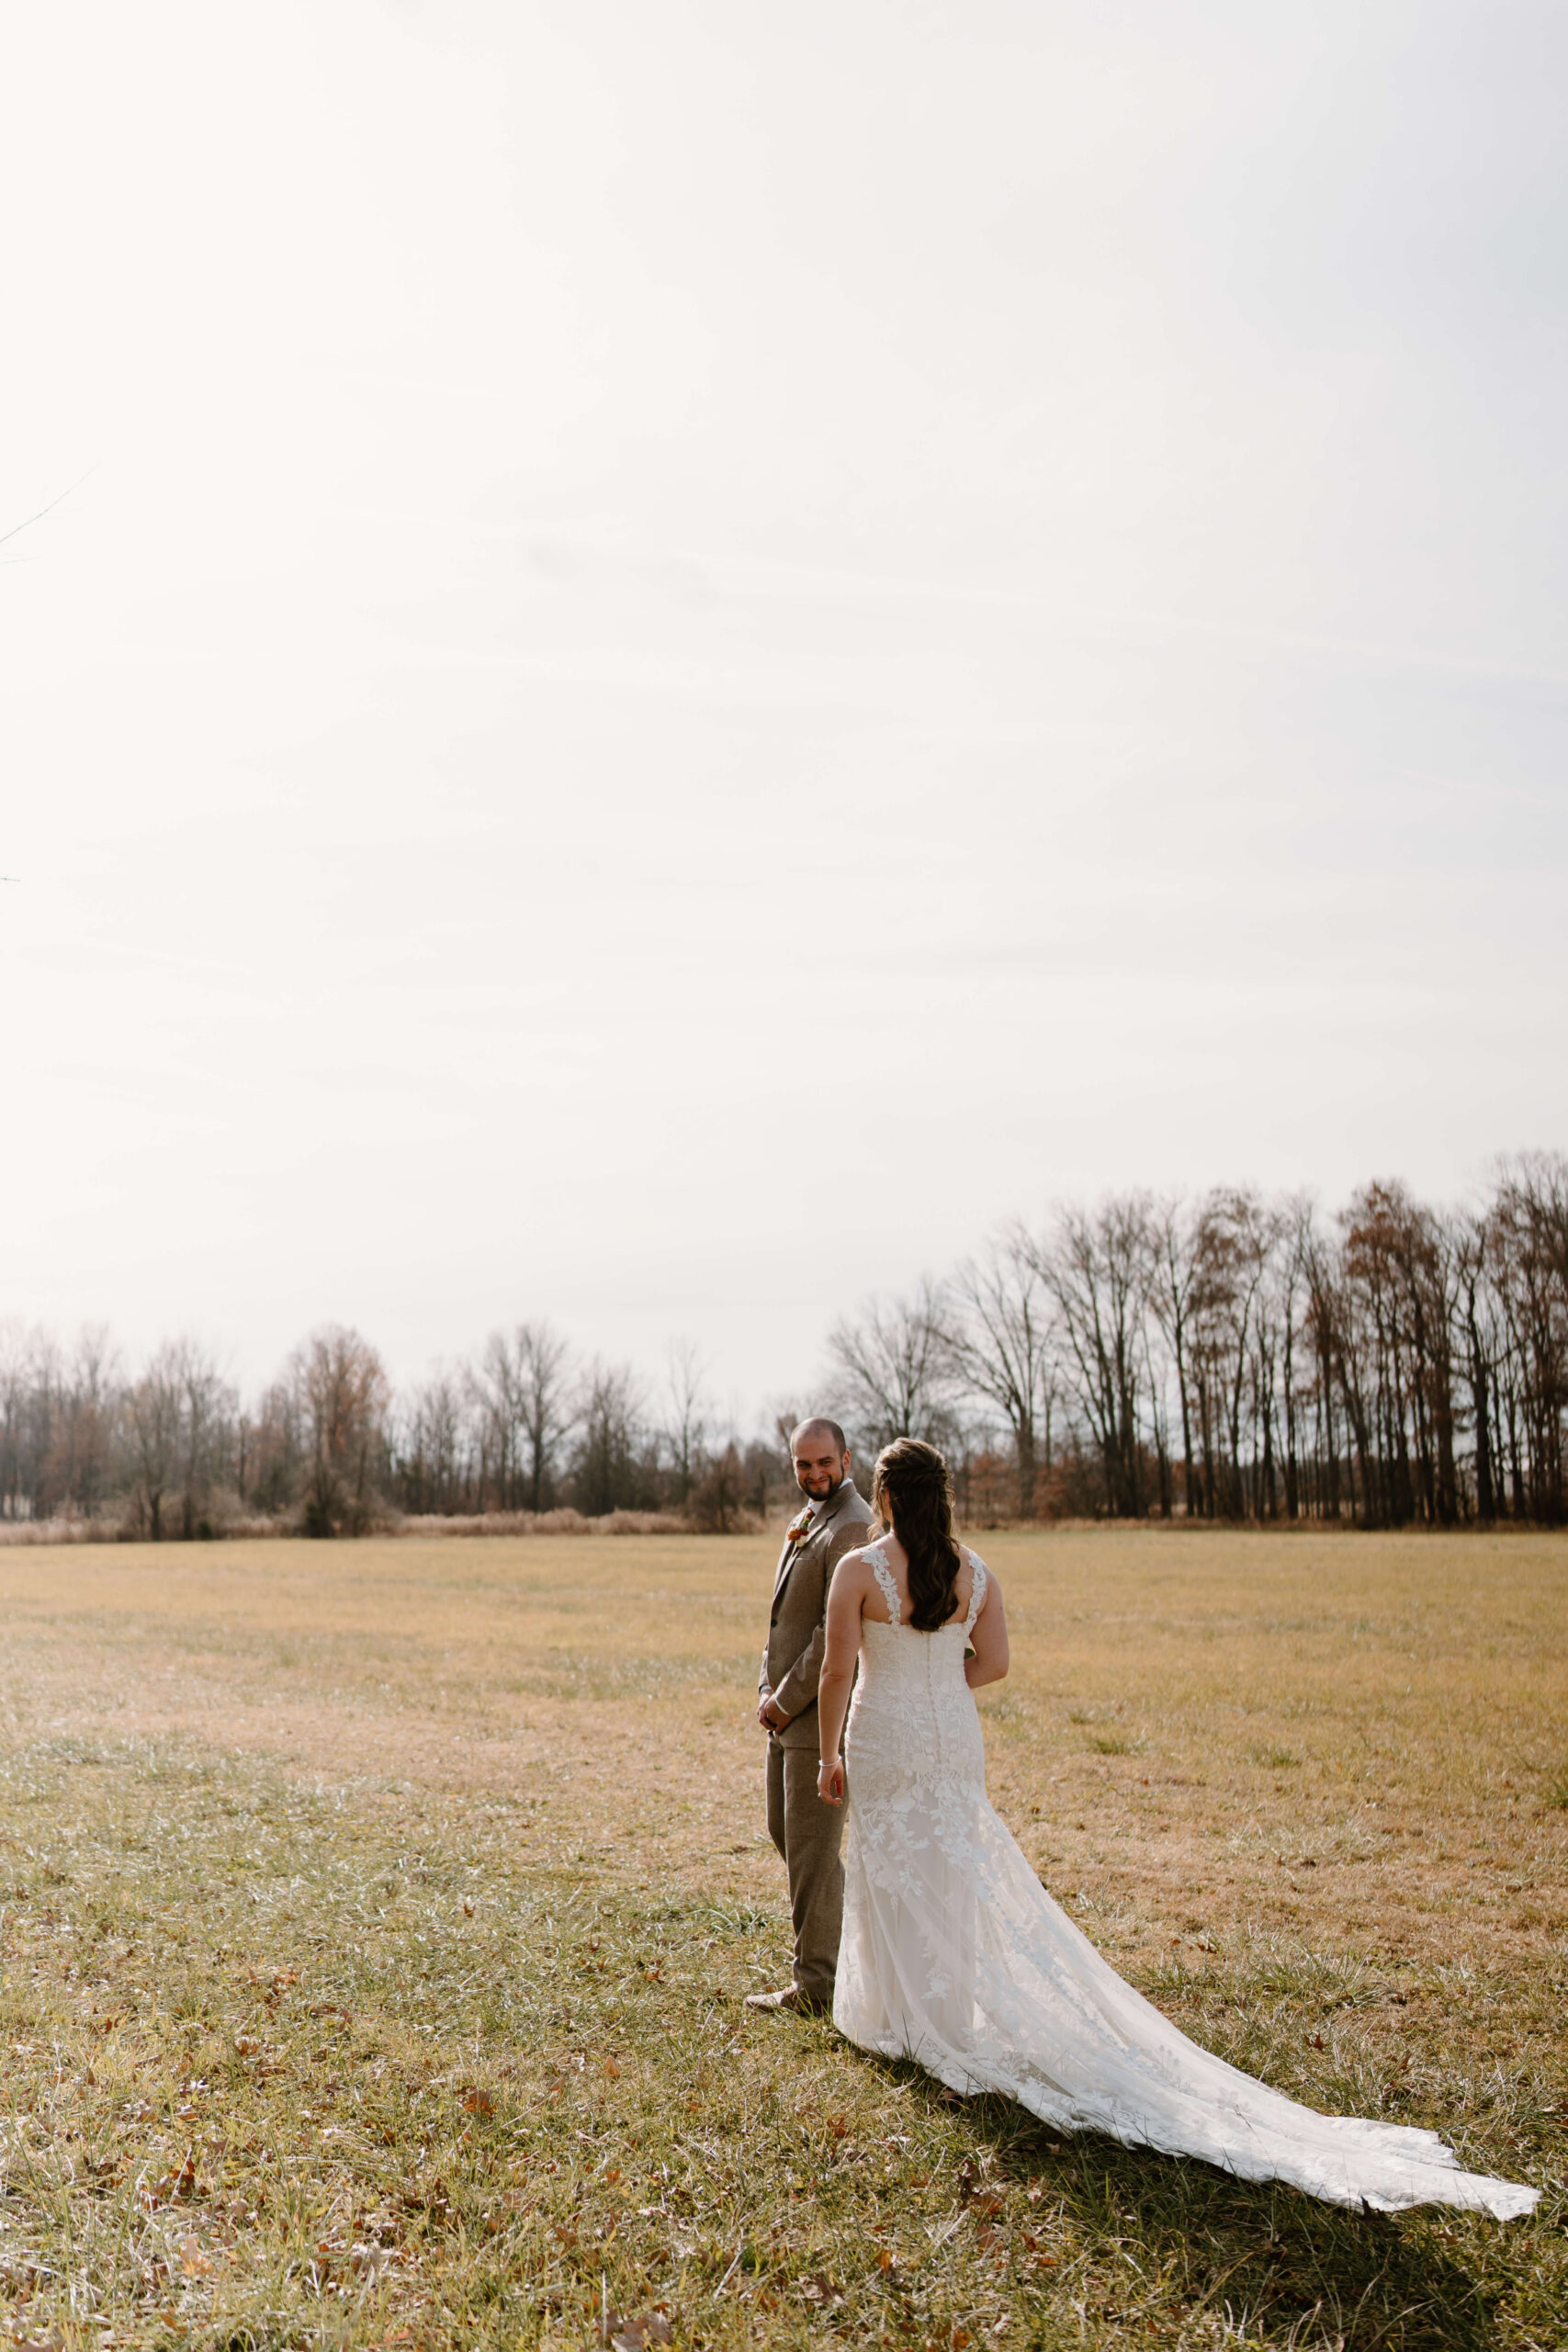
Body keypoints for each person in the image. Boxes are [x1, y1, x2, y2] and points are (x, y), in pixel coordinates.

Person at [814, 1436, 1537, 2218]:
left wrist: (828, 1755)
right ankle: (942, 2012)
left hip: (882, 1731)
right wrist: (937, 1686)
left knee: (894, 1860)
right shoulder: (976, 1570)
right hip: (951, 1733)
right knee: (953, 1870)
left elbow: (836, 1671)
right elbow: (992, 1665)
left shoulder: (859, 1571)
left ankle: (898, 2014)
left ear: (883, 1497)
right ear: (940, 1494)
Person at [747, 1417, 875, 2015]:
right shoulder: (810, 1520)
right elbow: (784, 1622)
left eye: (824, 1462)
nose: (814, 1473)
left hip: (818, 1714)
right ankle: (849, 1953)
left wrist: (784, 1699)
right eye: (803, 1464)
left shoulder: (852, 1524)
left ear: (846, 1460)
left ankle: (818, 1986)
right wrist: (764, 1683)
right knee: (791, 1837)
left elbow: (831, 1636)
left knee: (811, 1853)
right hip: (784, 1711)